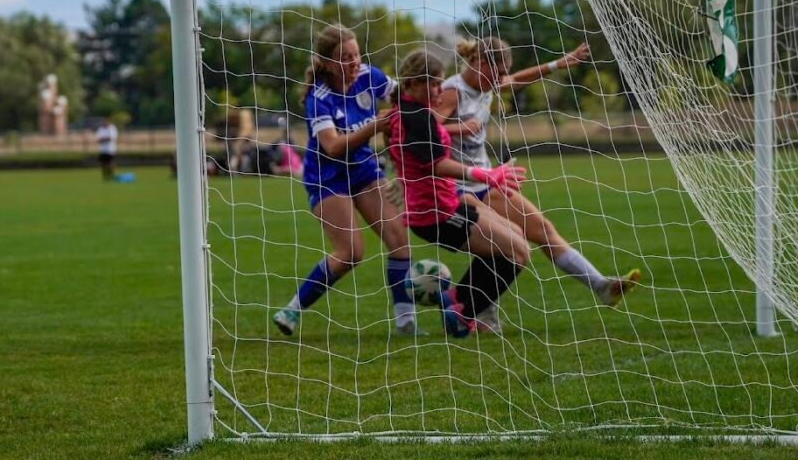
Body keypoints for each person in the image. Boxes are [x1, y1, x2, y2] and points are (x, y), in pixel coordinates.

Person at [436, 37, 641, 333]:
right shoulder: (452, 91)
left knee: (541, 229)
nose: (501, 79)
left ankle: (602, 286)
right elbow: (423, 129)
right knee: (505, 242)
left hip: (486, 180)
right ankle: (471, 309)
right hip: (456, 185)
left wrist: (558, 64)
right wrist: (461, 128)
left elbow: (518, 79)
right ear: (479, 63)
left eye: (503, 73)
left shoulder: (488, 84)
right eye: (497, 72)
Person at [272, 25, 419, 336]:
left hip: (363, 170)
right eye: (344, 57)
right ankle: (292, 309)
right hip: (327, 177)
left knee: (398, 238)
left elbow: (407, 98)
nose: (354, 62)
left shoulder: (370, 76)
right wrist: (376, 126)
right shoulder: (318, 98)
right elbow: (334, 146)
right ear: (327, 63)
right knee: (351, 252)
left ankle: (406, 323)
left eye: (356, 55)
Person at [387, 49, 531, 337]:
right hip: (436, 214)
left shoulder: (413, 112)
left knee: (516, 236)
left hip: (447, 202)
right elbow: (437, 164)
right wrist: (485, 174)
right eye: (433, 84)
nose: (439, 90)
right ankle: (462, 311)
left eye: (439, 83)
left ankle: (456, 300)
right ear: (412, 83)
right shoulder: (414, 116)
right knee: (517, 252)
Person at [96, 116, 118, 181]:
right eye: (104, 121)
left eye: (106, 121)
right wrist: (105, 139)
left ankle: (112, 176)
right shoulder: (100, 129)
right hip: (102, 150)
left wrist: (103, 139)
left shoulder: (112, 128)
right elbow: (98, 139)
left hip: (110, 149)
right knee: (103, 164)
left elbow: (111, 138)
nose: (105, 122)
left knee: (110, 163)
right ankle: (105, 177)